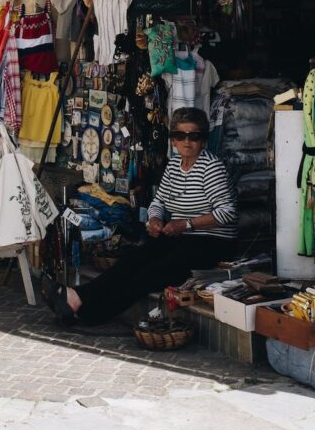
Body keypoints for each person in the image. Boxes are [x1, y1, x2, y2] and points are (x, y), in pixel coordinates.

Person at [45, 107, 237, 325]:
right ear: (173, 140)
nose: (187, 142)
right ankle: (78, 297)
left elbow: (227, 213)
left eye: (194, 136)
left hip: (212, 242)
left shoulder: (211, 168)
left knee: (152, 273)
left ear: (203, 139)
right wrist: (154, 219)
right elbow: (159, 201)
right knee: (133, 259)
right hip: (181, 236)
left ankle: (90, 314)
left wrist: (186, 224)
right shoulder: (174, 164)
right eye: (180, 136)